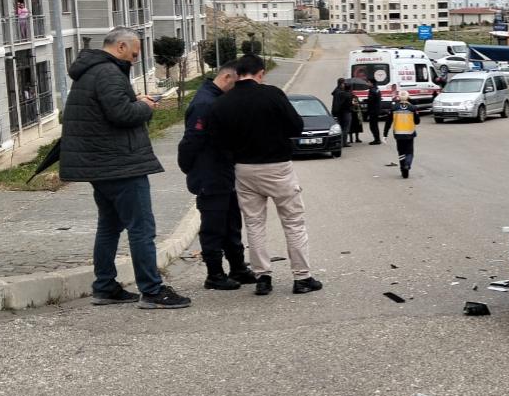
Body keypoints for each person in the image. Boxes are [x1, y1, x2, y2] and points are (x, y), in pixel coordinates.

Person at [60, 27, 190, 310]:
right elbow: (122, 113)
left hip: (101, 165)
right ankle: (152, 290)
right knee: (141, 228)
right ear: (120, 46)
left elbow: (110, 110)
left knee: (109, 226)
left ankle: (105, 287)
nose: (134, 59)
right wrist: (145, 106)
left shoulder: (91, 71)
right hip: (120, 165)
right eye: (133, 53)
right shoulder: (108, 72)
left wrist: (135, 102)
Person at [207, 54, 323, 297]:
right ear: (261, 73)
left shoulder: (223, 103)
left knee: (254, 224)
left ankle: (263, 278)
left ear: (237, 74)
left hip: (245, 169)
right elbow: (296, 126)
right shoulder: (272, 94)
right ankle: (302, 278)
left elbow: (217, 141)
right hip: (278, 167)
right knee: (293, 222)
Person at [177, 62, 256, 291]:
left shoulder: (217, 99)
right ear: (227, 78)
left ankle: (238, 268)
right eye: (237, 84)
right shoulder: (205, 103)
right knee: (213, 227)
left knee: (231, 224)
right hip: (210, 176)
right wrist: (190, 168)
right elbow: (191, 141)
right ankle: (214, 274)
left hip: (224, 173)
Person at [383, 90, 421, 178]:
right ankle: (407, 164)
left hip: (398, 134)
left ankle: (403, 169)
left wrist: (385, 134)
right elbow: (417, 121)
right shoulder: (413, 108)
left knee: (401, 152)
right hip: (409, 134)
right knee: (409, 152)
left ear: (399, 97)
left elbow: (388, 122)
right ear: (408, 97)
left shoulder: (394, 108)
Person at [330, 78, 353, 148]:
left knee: (341, 127)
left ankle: (341, 141)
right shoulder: (341, 93)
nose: (345, 85)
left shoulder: (336, 91)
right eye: (344, 83)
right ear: (341, 84)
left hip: (338, 112)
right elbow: (346, 101)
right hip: (344, 112)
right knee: (345, 127)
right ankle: (343, 142)